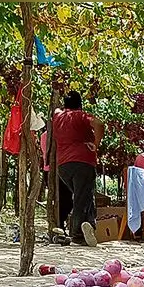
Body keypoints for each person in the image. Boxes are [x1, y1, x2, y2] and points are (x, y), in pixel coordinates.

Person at [52, 90, 104, 246]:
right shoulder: (81, 116)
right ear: (80, 105)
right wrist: (95, 144)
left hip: (63, 166)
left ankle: (88, 224)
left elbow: (56, 109)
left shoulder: (58, 117)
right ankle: (78, 235)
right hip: (83, 161)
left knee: (84, 195)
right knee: (82, 198)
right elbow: (100, 124)